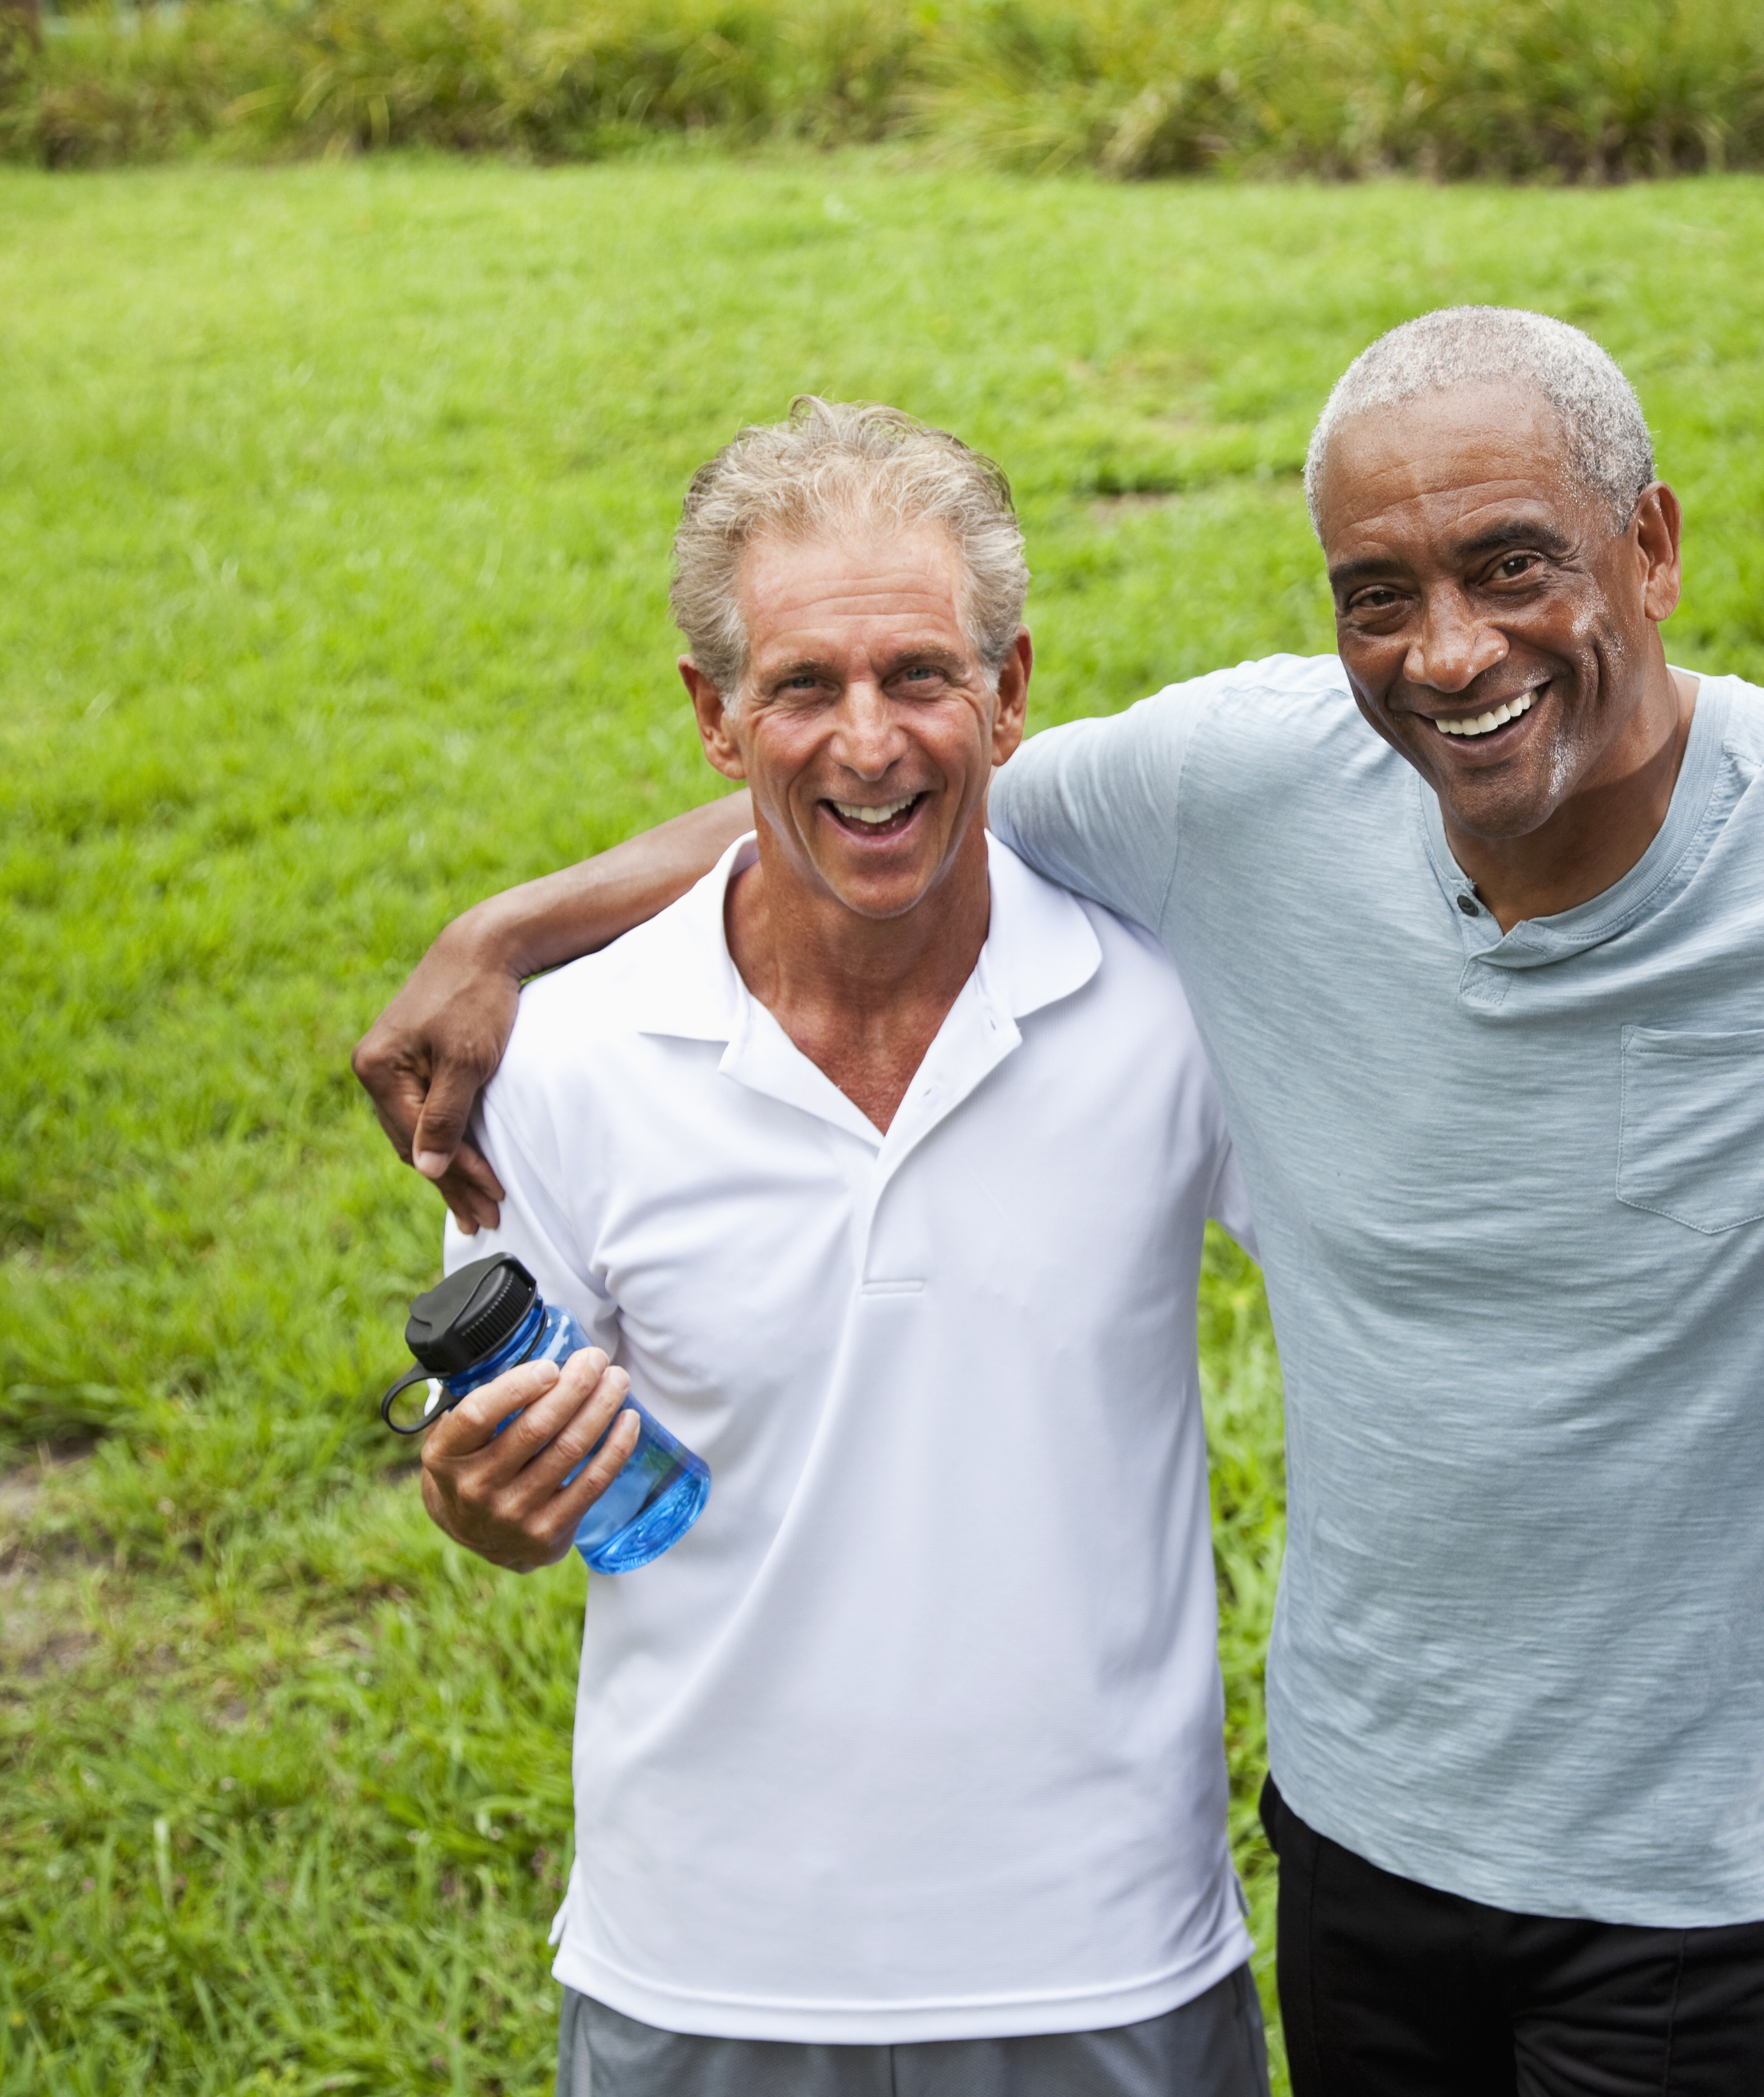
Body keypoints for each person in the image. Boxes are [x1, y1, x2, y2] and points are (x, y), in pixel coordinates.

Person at [356, 310, 1764, 2095]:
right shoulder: (1248, 782)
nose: (1446, 652)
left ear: (1648, 550)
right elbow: (892, 786)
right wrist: (522, 925)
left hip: (1734, 1872)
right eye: (1382, 591)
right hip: (1362, 1832)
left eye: (1510, 569)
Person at [413, 400, 1268, 2096]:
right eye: (803, 685)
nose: (866, 744)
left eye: (919, 675)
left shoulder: (1170, 1011)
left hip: (1105, 1945)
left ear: (1012, 692)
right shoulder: (564, 1063)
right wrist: (473, 1496)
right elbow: (504, 1474)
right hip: (698, 1957)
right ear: (714, 715)